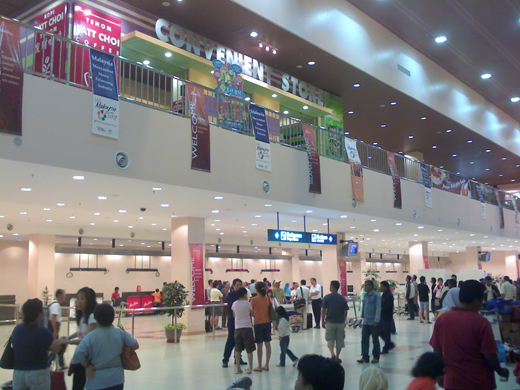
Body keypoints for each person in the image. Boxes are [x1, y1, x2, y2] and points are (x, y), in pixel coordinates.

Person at [430, 280, 509, 389]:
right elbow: (489, 355)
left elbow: (437, 351)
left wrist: (439, 374)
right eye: (482, 300)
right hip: (478, 382)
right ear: (476, 300)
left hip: (452, 382)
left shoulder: (442, 319)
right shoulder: (481, 322)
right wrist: (500, 371)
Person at [70, 304, 139, 390]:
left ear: (96, 319)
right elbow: (135, 345)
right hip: (117, 379)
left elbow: (78, 354)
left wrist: (87, 365)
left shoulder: (90, 337)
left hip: (97, 379)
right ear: (113, 318)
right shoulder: (120, 333)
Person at [12, 299, 69, 390]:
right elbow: (55, 348)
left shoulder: (17, 329)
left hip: (18, 373)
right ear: (39, 315)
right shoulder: (42, 332)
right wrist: (62, 341)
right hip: (38, 372)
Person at [68, 287, 99, 390]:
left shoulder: (92, 317)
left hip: (89, 358)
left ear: (89, 301)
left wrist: (69, 341)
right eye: (78, 298)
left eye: (82, 299)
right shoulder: (82, 316)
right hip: (81, 357)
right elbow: (80, 332)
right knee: (77, 384)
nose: (79, 302)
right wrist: (68, 337)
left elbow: (88, 340)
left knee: (81, 384)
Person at [321, 280, 348, 363]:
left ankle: (332, 355)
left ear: (332, 287)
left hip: (330, 322)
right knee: (340, 340)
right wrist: (343, 320)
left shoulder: (327, 297)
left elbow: (323, 310)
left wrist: (322, 321)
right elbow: (345, 311)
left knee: (330, 338)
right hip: (340, 323)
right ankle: (337, 356)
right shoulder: (342, 298)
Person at [231, 287, 255, 375]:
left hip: (237, 328)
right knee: (249, 348)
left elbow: (234, 315)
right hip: (247, 327)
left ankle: (238, 368)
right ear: (245, 294)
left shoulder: (234, 304)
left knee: (237, 348)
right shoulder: (248, 304)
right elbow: (252, 314)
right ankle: (250, 368)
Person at [222, 279, 245, 368]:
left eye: (240, 285)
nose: (239, 287)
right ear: (233, 286)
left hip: (240, 321)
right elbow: (233, 307)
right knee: (231, 340)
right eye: (237, 285)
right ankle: (225, 359)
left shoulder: (242, 295)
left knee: (240, 340)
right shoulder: (231, 295)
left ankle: (238, 358)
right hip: (232, 321)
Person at [358, 280, 381, 364]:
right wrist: (362, 316)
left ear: (371, 287)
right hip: (366, 321)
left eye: (367, 285)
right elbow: (363, 306)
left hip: (373, 322)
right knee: (364, 339)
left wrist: (376, 320)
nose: (365, 287)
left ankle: (376, 357)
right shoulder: (365, 295)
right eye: (365, 285)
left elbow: (378, 308)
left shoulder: (376, 296)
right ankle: (365, 357)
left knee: (375, 340)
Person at [251, 282, 271, 371]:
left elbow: (251, 312)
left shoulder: (253, 299)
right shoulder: (267, 299)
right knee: (267, 343)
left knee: (259, 345)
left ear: (256, 289)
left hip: (258, 323)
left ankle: (259, 365)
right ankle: (266, 364)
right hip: (267, 323)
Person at [49, 289, 66, 369]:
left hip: (54, 327)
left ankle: (61, 364)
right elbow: (53, 318)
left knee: (57, 346)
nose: (64, 297)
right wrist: (55, 330)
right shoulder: (56, 305)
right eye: (63, 295)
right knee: (57, 346)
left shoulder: (53, 304)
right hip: (54, 327)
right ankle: (52, 362)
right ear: (59, 295)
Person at [379, 281, 395, 354]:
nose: (380, 288)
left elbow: (388, 307)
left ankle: (386, 347)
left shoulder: (389, 296)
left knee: (386, 332)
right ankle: (389, 344)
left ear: (386, 287)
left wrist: (381, 309)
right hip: (382, 316)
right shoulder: (384, 294)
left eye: (382, 286)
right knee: (380, 331)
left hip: (387, 317)